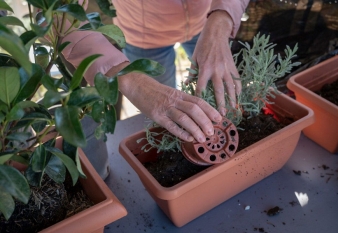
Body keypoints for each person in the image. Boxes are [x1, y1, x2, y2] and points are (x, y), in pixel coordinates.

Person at [61, 0, 249, 144]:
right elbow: (57, 10)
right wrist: (130, 81)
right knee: (166, 112)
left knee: (220, 93)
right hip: (144, 34)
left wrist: (221, 18)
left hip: (206, 21)